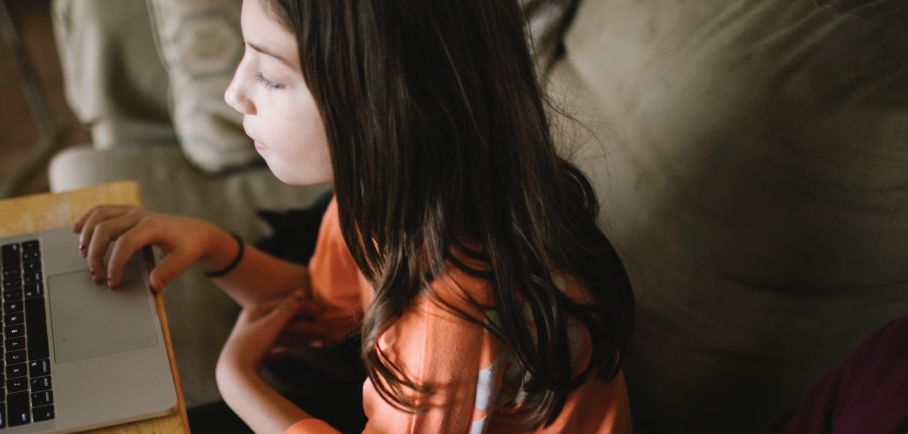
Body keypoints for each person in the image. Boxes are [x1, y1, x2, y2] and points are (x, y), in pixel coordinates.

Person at [72, 0, 635, 432]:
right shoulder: (387, 191)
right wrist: (217, 249)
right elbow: (325, 308)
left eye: (270, 76)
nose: (234, 93)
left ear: (383, 105)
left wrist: (236, 379)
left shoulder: (456, 320)